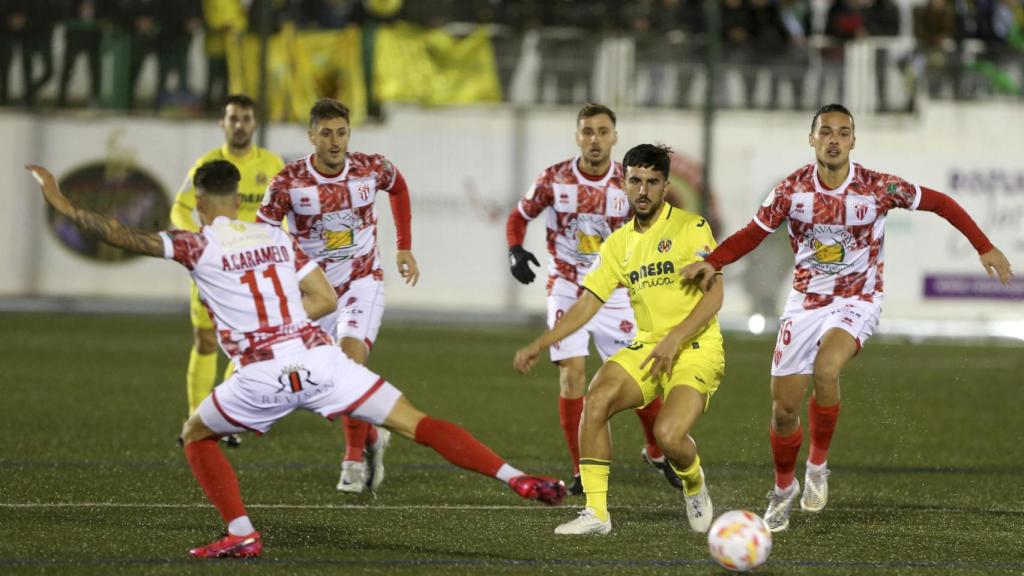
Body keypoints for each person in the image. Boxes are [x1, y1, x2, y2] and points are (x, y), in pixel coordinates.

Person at [26, 160, 566, 559]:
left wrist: (62, 203)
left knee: (196, 433)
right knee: (417, 422)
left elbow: (121, 235)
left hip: (261, 372)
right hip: (319, 358)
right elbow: (327, 300)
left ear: (197, 200)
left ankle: (241, 534)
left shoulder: (196, 244)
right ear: (238, 198)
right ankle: (517, 478)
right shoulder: (277, 238)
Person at [682, 103, 1014, 533]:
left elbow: (941, 202)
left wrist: (983, 245)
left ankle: (817, 466)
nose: (834, 139)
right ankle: (784, 490)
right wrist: (716, 261)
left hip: (858, 300)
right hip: (804, 303)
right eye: (826, 132)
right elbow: (752, 233)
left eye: (843, 132)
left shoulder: (876, 187)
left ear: (853, 141)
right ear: (812, 139)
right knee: (783, 411)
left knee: (827, 368)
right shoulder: (791, 190)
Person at [514, 144, 725, 535]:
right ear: (623, 183)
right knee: (595, 400)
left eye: (652, 182)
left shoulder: (690, 227)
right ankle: (597, 513)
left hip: (695, 346)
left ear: (665, 186)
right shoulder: (618, 244)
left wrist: (676, 338)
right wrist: (541, 344)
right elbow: (587, 303)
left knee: (668, 435)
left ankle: (694, 483)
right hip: (648, 345)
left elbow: (715, 295)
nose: (642, 190)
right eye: (635, 181)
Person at [506, 103, 682, 496]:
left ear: (614, 137)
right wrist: (515, 249)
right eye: (587, 131)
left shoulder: (630, 183)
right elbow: (519, 216)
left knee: (642, 377)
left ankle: (655, 449)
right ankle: (582, 471)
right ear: (577, 136)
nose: (595, 139)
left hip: (618, 292)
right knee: (572, 375)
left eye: (603, 131)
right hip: (567, 286)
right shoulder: (554, 179)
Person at [258, 97, 419, 494]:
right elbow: (262, 232)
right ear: (311, 135)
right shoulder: (287, 182)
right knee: (319, 384)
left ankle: (351, 462)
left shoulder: (370, 168)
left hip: (363, 283)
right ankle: (371, 439)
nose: (334, 141)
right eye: (326, 133)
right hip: (314, 293)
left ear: (350, 134)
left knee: (351, 361)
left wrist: (403, 246)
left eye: (341, 132)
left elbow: (398, 187)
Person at [171, 94, 285, 447]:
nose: (240, 125)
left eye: (246, 118)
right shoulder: (207, 165)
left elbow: (282, 211)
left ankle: (227, 416)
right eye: (233, 118)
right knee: (205, 340)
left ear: (255, 123)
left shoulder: (272, 163)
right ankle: (195, 416)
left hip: (251, 270)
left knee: (245, 347)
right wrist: (197, 241)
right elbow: (180, 207)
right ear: (223, 123)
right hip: (213, 267)